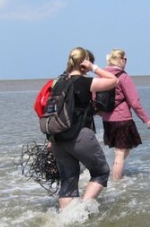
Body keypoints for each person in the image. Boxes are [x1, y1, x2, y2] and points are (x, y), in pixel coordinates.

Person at [50, 47, 118, 209]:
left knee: (68, 180)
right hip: (79, 135)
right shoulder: (84, 82)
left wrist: (50, 140)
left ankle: (66, 217)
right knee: (101, 172)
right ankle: (84, 209)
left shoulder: (58, 82)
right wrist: (94, 69)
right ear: (85, 62)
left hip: (57, 138)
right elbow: (114, 80)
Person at [98, 48, 150, 180]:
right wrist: (146, 119)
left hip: (107, 121)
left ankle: (114, 171)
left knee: (122, 151)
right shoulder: (123, 76)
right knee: (120, 153)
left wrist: (100, 113)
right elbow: (134, 102)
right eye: (126, 59)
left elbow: (94, 97)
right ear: (121, 59)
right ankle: (116, 181)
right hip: (122, 119)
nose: (126, 62)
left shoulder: (101, 75)